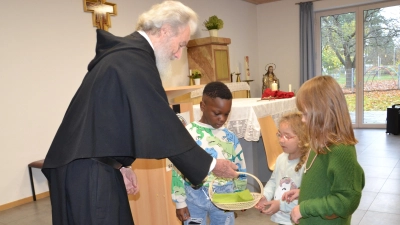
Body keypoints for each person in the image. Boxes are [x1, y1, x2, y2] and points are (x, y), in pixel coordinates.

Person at [41, 1, 238, 225]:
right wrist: (212, 165)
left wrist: (122, 164)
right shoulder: (133, 60)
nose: (178, 55)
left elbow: (115, 118)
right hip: (88, 171)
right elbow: (161, 124)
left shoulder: (127, 57)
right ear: (165, 30)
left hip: (90, 165)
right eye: (181, 44)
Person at [281, 76, 365, 225]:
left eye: (306, 114)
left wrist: (305, 208)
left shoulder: (341, 150)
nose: (303, 120)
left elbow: (347, 200)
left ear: (324, 114)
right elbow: (325, 182)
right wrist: (303, 192)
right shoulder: (319, 143)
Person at [171, 81, 247, 225]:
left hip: (225, 195)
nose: (222, 119)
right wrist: (180, 202)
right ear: (202, 106)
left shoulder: (230, 137)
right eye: (217, 113)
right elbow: (178, 169)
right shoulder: (188, 134)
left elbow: (239, 166)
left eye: (226, 114)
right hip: (194, 195)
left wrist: (240, 193)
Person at [254, 112, 309, 225]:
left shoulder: (307, 164)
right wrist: (265, 196)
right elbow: (274, 181)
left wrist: (280, 205)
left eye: (287, 136)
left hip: (297, 219)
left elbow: (306, 196)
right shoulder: (281, 158)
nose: (281, 140)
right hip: (281, 218)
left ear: (302, 138)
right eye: (279, 134)